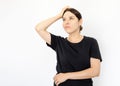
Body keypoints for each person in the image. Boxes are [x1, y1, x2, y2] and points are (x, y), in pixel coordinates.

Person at [35, 6, 102, 86]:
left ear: (80, 22)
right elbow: (39, 28)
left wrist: (66, 76)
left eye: (71, 18)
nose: (66, 22)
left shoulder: (91, 42)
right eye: (64, 19)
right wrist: (59, 15)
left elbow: (95, 71)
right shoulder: (59, 42)